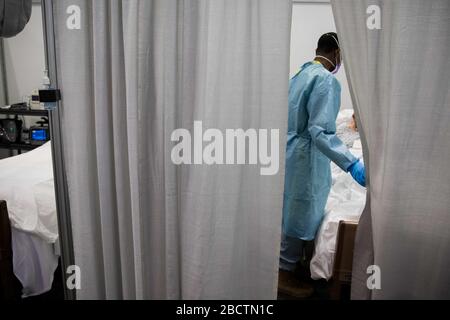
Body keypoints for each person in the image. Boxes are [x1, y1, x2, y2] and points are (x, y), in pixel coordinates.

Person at [278, 33, 366, 298]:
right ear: (337, 54)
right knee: (301, 208)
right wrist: (352, 164)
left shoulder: (299, 75)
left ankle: (290, 265)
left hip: (293, 153)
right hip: (306, 157)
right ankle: (284, 273)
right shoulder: (325, 80)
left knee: (292, 207)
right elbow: (321, 132)